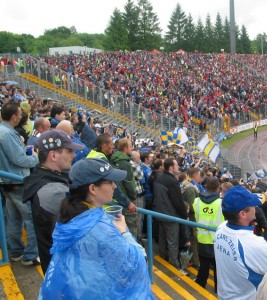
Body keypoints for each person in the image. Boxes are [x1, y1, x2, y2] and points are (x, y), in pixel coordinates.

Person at [39, 158, 153, 299]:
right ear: (92, 189)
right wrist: (124, 232)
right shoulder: (100, 231)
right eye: (110, 182)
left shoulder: (69, 216)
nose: (115, 186)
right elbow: (139, 261)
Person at [23, 129, 83, 274]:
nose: (73, 155)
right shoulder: (52, 192)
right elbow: (82, 226)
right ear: (53, 155)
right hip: (62, 271)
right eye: (69, 151)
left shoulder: (49, 177)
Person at [214, 185, 267, 300]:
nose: (256, 208)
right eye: (253, 205)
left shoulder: (221, 229)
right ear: (243, 214)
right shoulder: (256, 245)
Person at [0, 103, 40, 266]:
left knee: (14, 219)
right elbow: (20, 160)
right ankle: (30, 255)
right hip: (16, 181)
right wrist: (36, 157)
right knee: (32, 219)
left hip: (7, 181)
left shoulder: (4, 131)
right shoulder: (8, 134)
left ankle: (16, 251)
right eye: (19, 114)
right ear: (14, 117)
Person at [153, 158, 188, 269]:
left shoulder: (159, 177)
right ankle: (174, 265)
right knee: (173, 242)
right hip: (170, 215)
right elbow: (177, 201)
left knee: (163, 239)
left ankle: (163, 259)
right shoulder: (172, 181)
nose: (178, 167)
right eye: (176, 165)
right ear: (171, 167)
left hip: (160, 213)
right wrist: (184, 215)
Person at [193, 178, 223, 291]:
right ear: (218, 188)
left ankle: (200, 284)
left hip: (201, 238)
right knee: (218, 267)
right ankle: (218, 288)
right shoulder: (221, 203)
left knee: (204, 264)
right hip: (217, 239)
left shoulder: (197, 201)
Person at [110, 138, 139, 237]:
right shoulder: (125, 163)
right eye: (130, 146)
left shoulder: (113, 158)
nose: (132, 149)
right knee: (131, 228)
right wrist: (133, 198)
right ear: (125, 148)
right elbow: (129, 183)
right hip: (126, 200)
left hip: (119, 199)